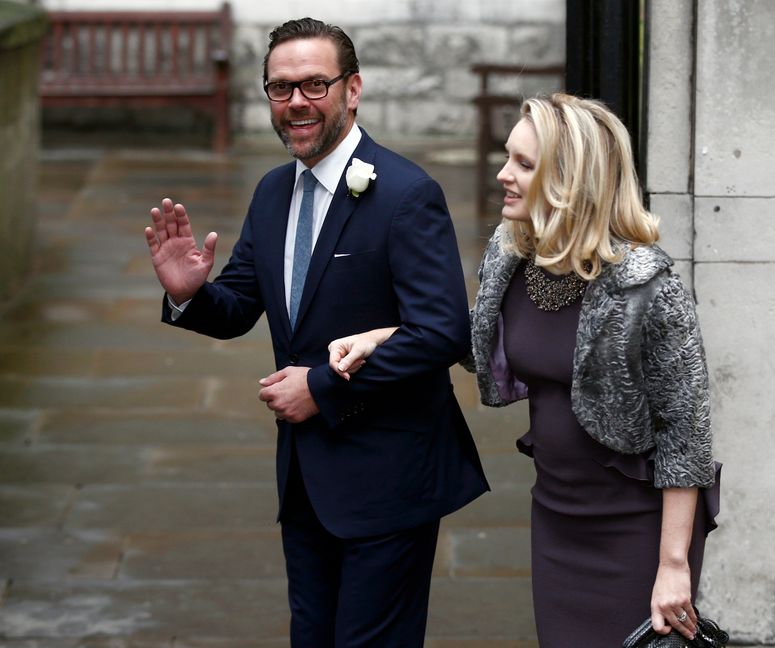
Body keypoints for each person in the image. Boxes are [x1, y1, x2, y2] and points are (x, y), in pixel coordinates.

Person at [328, 93, 721, 647]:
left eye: (523, 164)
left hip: (635, 527)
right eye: (509, 157)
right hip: (556, 516)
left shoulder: (646, 284)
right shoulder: (513, 254)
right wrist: (379, 337)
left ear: (571, 180)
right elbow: (481, 341)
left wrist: (673, 565)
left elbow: (688, 435)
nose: (502, 173)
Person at [144, 17, 488, 648]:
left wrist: (324, 387)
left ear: (352, 90)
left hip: (390, 477)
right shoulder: (274, 192)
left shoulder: (407, 194)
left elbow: (442, 333)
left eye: (314, 85)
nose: (296, 102)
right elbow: (241, 305)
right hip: (305, 478)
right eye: (280, 88)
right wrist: (187, 294)